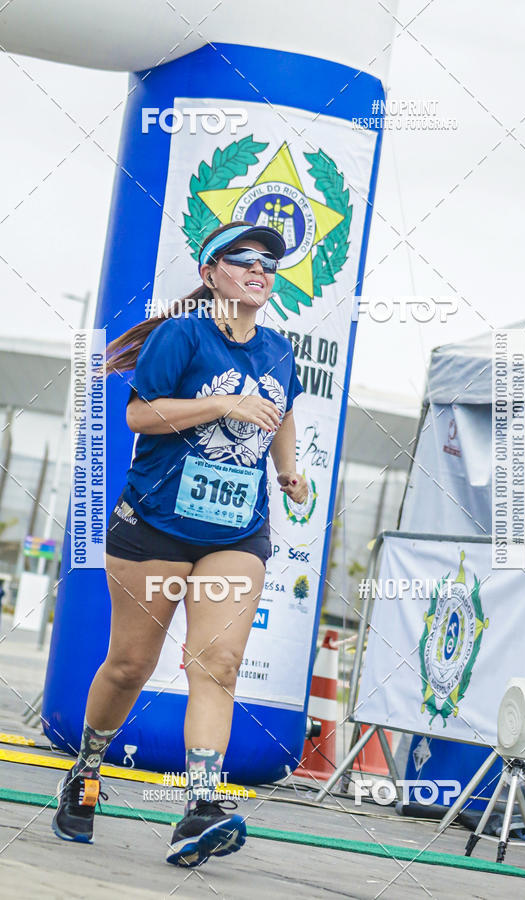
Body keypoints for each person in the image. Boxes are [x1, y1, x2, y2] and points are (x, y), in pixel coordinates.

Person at [51, 220, 308, 867]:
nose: (260, 269)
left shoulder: (278, 351)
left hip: (237, 532)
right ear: (210, 273)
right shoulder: (181, 336)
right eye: (244, 258)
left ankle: (200, 805)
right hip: (156, 525)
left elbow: (281, 413)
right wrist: (219, 407)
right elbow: (140, 414)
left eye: (269, 264)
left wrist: (288, 471)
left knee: (217, 663)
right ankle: (85, 770)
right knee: (130, 665)